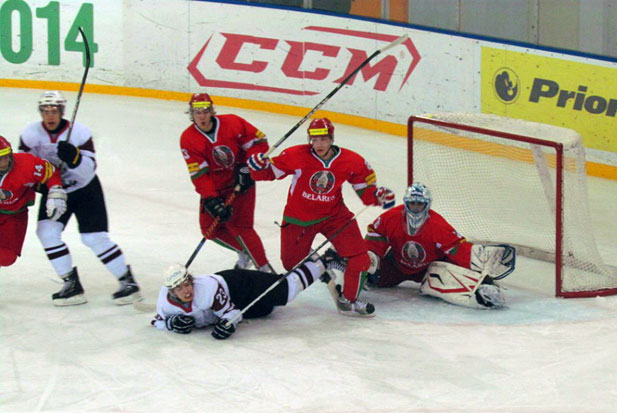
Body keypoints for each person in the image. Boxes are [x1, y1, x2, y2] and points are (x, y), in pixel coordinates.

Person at [246, 117, 395, 317]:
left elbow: (366, 192)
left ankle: (348, 301)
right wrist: (256, 166)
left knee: (360, 258)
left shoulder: (352, 161)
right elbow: (265, 174)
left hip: (335, 216)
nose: (319, 145)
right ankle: (325, 261)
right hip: (299, 218)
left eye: (323, 139)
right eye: (314, 140)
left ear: (331, 139)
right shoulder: (295, 155)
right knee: (291, 264)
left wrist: (378, 196)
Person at [18, 90, 141, 306]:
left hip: (85, 190)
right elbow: (25, 167)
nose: (50, 115)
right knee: (47, 233)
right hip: (55, 191)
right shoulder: (30, 134)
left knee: (94, 237)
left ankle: (127, 282)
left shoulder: (79, 132)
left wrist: (75, 158)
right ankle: (71, 284)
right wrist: (41, 186)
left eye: (54, 110)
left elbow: (89, 168)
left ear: (62, 111)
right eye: (46, 111)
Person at [324, 183, 516, 309]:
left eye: (420, 205)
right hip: (396, 266)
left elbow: (458, 251)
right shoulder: (391, 218)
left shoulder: (438, 226)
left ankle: (480, 289)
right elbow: (376, 237)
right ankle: (341, 261)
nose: (416, 209)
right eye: (412, 204)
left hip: (428, 270)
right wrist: (370, 257)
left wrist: (479, 271)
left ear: (427, 205)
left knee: (443, 276)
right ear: (406, 203)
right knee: (373, 273)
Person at [179, 93, 273, 272]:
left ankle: (264, 269)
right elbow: (199, 173)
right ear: (191, 113)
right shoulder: (188, 138)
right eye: (197, 112)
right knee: (210, 230)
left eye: (205, 111)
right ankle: (245, 252)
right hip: (216, 188)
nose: (202, 116)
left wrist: (248, 166)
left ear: (211, 111)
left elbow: (258, 142)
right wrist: (211, 198)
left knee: (240, 227)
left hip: (241, 183)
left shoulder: (233, 122)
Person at [151, 256, 327, 339]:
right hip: (236, 302)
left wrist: (228, 324)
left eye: (187, 284)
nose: (186, 291)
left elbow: (231, 312)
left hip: (237, 285)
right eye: (179, 288)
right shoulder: (165, 303)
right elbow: (156, 321)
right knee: (269, 309)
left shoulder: (207, 289)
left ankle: (325, 261)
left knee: (285, 290)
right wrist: (170, 323)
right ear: (171, 292)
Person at [0, 136, 67, 267]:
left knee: (7, 257)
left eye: (7, 156)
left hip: (14, 215)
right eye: (0, 158)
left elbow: (51, 172)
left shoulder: (26, 164)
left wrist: (56, 192)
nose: (5, 162)